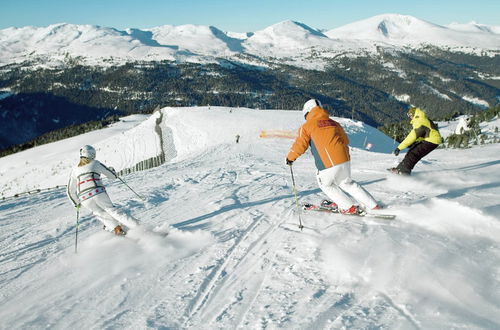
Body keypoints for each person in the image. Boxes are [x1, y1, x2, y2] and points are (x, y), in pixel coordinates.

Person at [286, 99, 380, 215]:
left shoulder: (306, 127)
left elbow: (300, 145)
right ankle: (373, 205)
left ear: (307, 112)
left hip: (327, 163)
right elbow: (345, 140)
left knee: (325, 184)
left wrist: (290, 158)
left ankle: (348, 207)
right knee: (347, 183)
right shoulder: (334, 123)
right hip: (344, 160)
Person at [66, 145, 140, 235]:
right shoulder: (95, 163)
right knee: (112, 210)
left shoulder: (74, 169)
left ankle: (118, 230)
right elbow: (111, 175)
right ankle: (138, 228)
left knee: (100, 214)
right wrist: (112, 170)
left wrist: (76, 203)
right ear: (92, 154)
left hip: (84, 199)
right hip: (97, 192)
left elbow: (70, 190)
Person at [390, 107, 442, 175]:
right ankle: (400, 168)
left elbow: (412, 137)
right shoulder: (421, 119)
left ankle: (404, 171)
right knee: (412, 151)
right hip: (430, 140)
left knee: (414, 153)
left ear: (414, 114)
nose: (410, 117)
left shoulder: (419, 122)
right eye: (408, 116)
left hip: (431, 141)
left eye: (410, 115)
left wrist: (399, 148)